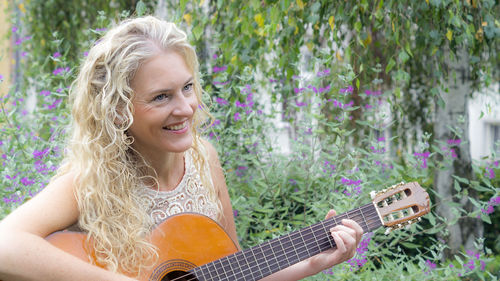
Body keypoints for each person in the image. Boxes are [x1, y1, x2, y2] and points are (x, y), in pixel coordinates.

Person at [0, 16, 363, 281]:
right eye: (162, 97)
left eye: (187, 88)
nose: (186, 108)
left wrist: (316, 261)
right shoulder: (92, 178)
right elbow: (6, 244)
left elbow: (234, 272)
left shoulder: (204, 160)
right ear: (117, 109)